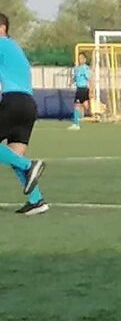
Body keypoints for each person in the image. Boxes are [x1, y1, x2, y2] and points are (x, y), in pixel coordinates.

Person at [0, 13, 48, 216]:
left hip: (14, 101)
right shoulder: (15, 48)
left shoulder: (2, 44)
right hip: (28, 104)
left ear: (2, 28)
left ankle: (29, 165)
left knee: (19, 161)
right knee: (14, 155)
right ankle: (36, 201)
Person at [71, 53, 92, 129]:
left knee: (77, 106)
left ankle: (76, 124)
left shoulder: (85, 68)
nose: (80, 60)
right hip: (79, 89)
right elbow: (75, 77)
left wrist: (91, 90)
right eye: (79, 58)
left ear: (85, 59)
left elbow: (89, 79)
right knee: (82, 105)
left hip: (83, 89)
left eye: (82, 58)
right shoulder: (77, 68)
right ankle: (76, 122)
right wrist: (71, 82)